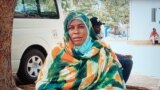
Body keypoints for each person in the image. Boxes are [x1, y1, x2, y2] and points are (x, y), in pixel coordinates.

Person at [36, 11, 126, 90]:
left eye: (81, 26)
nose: (76, 31)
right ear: (67, 31)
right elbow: (43, 83)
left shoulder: (102, 50)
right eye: (71, 28)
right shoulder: (57, 51)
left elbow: (114, 85)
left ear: (88, 28)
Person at [90, 17, 133, 83]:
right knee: (128, 63)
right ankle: (120, 85)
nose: (99, 29)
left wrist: (123, 56)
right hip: (101, 61)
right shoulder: (91, 39)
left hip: (106, 57)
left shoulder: (97, 37)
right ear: (91, 27)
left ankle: (118, 84)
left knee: (127, 60)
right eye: (97, 27)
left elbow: (108, 51)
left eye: (100, 27)